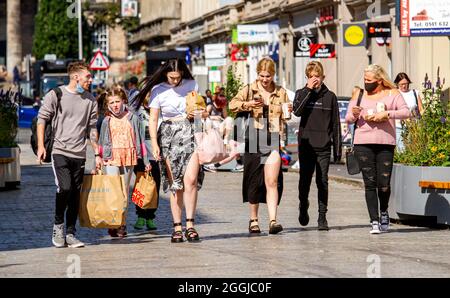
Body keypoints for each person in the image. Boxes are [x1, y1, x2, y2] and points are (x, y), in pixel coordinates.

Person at [137, 58, 207, 243]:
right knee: (176, 183)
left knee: (191, 180)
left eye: (177, 77)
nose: (175, 81)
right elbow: (153, 120)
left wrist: (198, 120)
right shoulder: (158, 90)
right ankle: (177, 226)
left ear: (182, 73)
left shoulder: (192, 84)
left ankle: (190, 225)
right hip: (168, 135)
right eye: (171, 77)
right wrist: (154, 144)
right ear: (165, 74)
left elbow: (201, 110)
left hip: (190, 132)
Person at [37, 61, 101, 248]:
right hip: (60, 150)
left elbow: (91, 127)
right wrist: (41, 146)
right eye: (88, 76)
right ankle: (58, 225)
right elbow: (42, 119)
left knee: (75, 193)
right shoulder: (56, 94)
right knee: (64, 188)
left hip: (80, 153)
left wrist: (95, 148)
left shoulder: (91, 100)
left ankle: (71, 233)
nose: (91, 79)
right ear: (76, 77)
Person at [345, 64, 411, 234]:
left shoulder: (392, 93)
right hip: (363, 143)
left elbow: (406, 112)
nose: (366, 82)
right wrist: (354, 113)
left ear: (380, 80)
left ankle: (384, 212)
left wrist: (387, 114)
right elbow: (348, 118)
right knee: (369, 183)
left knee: (384, 184)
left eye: (369, 80)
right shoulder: (359, 94)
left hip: (385, 143)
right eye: (364, 79)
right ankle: (374, 220)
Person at [229, 57, 292, 235]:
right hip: (253, 137)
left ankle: (273, 221)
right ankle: (254, 219)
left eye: (268, 76)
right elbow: (232, 104)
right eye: (262, 75)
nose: (265, 79)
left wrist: (289, 111)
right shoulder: (250, 89)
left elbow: (286, 117)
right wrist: (247, 104)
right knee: (254, 180)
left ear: (273, 75)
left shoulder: (281, 92)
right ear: (258, 74)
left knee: (272, 181)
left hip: (272, 137)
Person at [293, 61, 342, 231]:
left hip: (323, 146)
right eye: (311, 76)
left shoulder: (330, 97)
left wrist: (337, 150)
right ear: (307, 77)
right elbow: (297, 111)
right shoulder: (301, 93)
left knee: (322, 181)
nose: (315, 79)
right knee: (304, 181)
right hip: (306, 146)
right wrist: (308, 90)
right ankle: (303, 204)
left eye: (317, 76)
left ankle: (322, 216)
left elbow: (336, 124)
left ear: (323, 77)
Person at [98, 86, 151, 238]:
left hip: (128, 156)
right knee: (113, 191)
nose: (115, 105)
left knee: (123, 192)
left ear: (123, 102)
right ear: (107, 105)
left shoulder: (133, 118)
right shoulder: (106, 120)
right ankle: (113, 222)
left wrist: (146, 160)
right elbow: (102, 142)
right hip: (111, 157)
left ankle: (122, 223)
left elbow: (141, 140)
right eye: (112, 103)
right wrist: (99, 158)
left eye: (117, 102)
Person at [131, 86, 161, 231]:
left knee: (155, 188)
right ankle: (140, 216)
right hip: (141, 155)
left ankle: (150, 217)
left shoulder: (160, 112)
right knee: (141, 187)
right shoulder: (137, 113)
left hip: (157, 156)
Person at [394, 72, 424, 151]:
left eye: (406, 83)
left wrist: (417, 116)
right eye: (401, 84)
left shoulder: (414, 93)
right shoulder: (395, 93)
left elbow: (421, 109)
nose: (404, 86)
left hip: (413, 126)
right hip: (399, 127)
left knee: (413, 149)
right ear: (397, 84)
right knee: (401, 150)